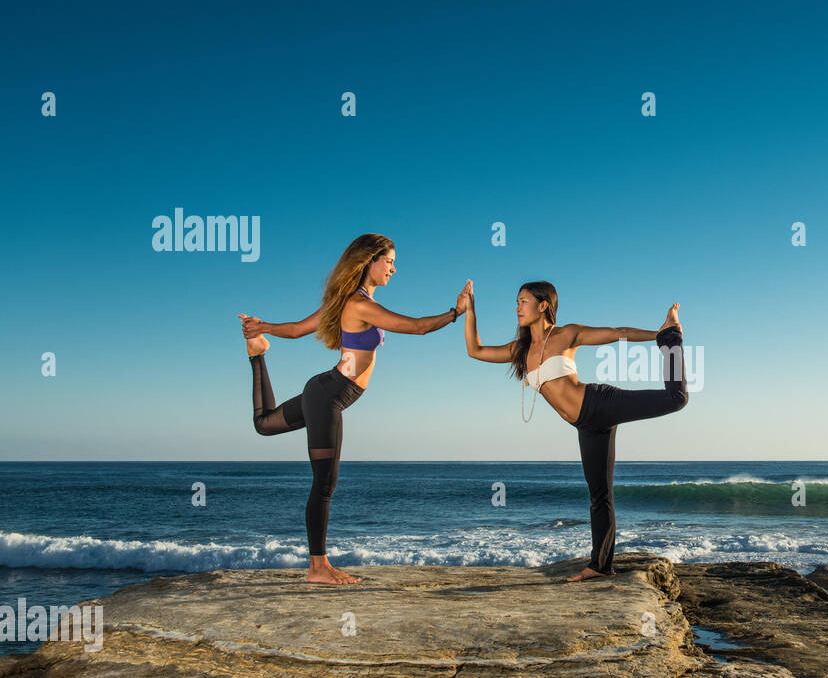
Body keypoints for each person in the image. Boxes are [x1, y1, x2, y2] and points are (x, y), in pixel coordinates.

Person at [238, 233, 468, 583]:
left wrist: (263, 328)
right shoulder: (359, 305)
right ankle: (318, 567)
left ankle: (257, 355)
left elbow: (299, 329)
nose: (394, 268)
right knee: (324, 483)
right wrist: (456, 312)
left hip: (325, 390)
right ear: (369, 261)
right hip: (328, 395)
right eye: (389, 261)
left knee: (265, 424)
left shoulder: (348, 301)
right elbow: (418, 328)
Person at [460, 279, 687, 581]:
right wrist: (470, 309)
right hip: (586, 425)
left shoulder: (566, 334)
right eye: (517, 302)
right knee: (599, 496)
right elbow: (475, 350)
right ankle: (600, 566)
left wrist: (661, 334)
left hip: (599, 403)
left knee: (676, 398)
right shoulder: (520, 350)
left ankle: (672, 339)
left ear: (543, 306)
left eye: (523, 301)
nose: (517, 307)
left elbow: (617, 334)